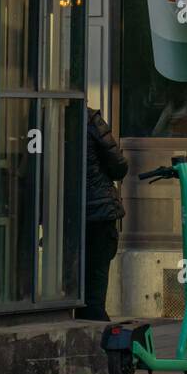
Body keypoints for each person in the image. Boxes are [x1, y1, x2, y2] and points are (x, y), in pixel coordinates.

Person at [81, 107, 129, 321]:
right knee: (96, 274)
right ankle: (95, 324)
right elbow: (118, 166)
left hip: (64, 210)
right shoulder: (91, 120)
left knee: (71, 276)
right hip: (98, 208)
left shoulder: (46, 113)